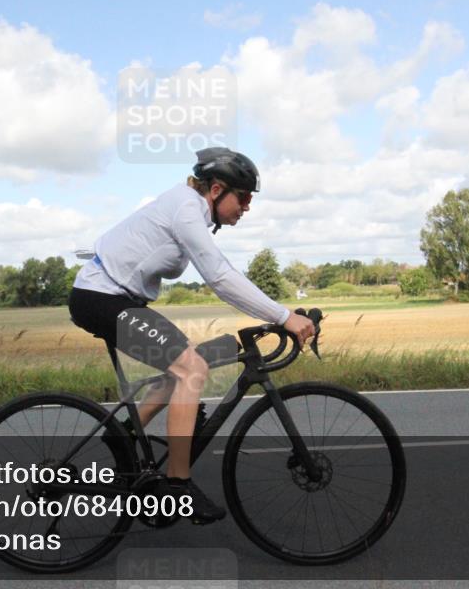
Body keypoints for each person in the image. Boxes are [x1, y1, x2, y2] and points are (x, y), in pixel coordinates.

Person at [67, 147, 317, 523]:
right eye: (244, 197)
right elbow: (219, 277)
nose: (247, 207)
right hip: (100, 298)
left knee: (184, 361)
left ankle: (122, 432)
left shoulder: (191, 211)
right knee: (192, 369)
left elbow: (222, 271)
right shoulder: (186, 209)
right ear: (216, 190)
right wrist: (283, 316)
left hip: (114, 297)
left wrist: (282, 315)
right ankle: (177, 486)